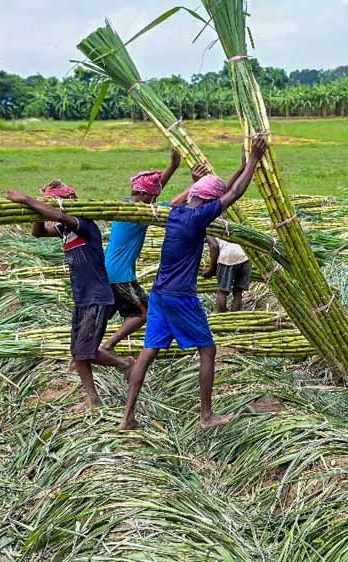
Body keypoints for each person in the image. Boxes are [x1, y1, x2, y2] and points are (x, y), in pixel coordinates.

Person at [119, 137, 269, 430]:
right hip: (180, 297)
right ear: (209, 204)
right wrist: (253, 160)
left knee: (147, 353)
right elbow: (234, 193)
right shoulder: (197, 219)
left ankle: (127, 418)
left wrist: (238, 168)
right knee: (208, 351)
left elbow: (221, 192)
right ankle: (207, 417)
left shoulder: (176, 212)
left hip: (160, 294)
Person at [7, 180, 137, 410]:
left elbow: (60, 216)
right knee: (78, 353)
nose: (55, 205)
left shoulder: (83, 224)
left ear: (71, 201)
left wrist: (27, 200)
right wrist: (36, 211)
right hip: (82, 297)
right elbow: (38, 233)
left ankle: (121, 367)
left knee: (84, 353)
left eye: (57, 201)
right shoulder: (65, 230)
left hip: (97, 297)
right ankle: (97, 395)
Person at [101, 149, 193, 352]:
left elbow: (153, 193)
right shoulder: (137, 215)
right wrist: (196, 184)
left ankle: (86, 350)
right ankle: (108, 346)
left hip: (110, 271)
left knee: (103, 316)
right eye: (151, 197)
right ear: (142, 195)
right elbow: (173, 205)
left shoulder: (128, 206)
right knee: (142, 313)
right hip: (119, 275)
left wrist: (173, 167)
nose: (153, 201)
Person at [204, 236, 251, 312]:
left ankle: (221, 316)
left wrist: (211, 269)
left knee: (222, 291)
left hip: (227, 256)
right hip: (244, 255)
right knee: (238, 292)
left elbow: (214, 246)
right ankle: (235, 315)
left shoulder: (206, 229)